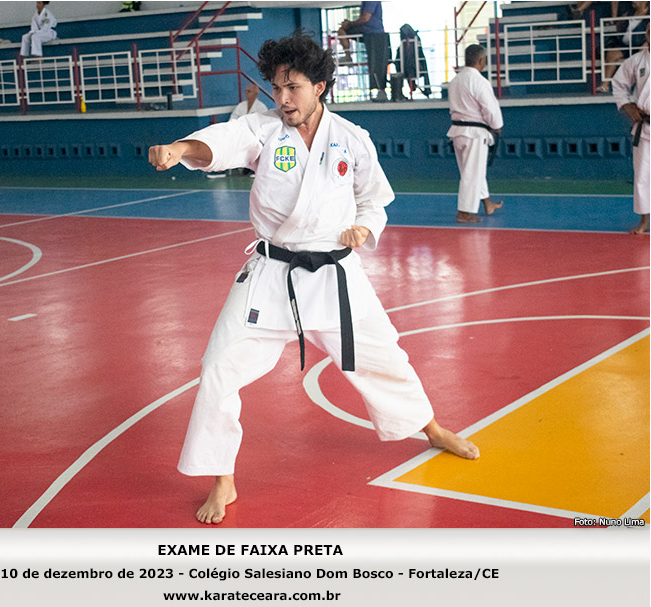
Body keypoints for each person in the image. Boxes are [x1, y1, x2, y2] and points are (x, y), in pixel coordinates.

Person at [148, 30, 479, 525]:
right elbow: (225, 141)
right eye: (276, 88)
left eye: (293, 88)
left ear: (319, 87)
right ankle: (222, 479)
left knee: (383, 356)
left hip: (336, 274)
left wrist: (364, 227)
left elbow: (374, 199)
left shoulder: (352, 138)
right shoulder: (264, 131)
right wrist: (181, 148)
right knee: (218, 367)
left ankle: (431, 429)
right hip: (272, 275)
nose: (283, 99)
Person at [447, 44, 504, 224]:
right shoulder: (479, 81)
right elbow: (490, 108)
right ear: (481, 60)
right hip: (475, 133)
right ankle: (464, 212)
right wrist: (497, 125)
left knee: (472, 171)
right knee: (472, 173)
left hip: (458, 132)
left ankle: (487, 203)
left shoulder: (455, 80)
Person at [611, 23, 649, 233]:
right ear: (646, 35)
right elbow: (618, 84)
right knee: (642, 176)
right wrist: (627, 105)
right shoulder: (636, 61)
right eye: (650, 32)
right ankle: (644, 221)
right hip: (645, 127)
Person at [337, 2, 391, 101]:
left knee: (377, 63)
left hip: (374, 33)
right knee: (342, 31)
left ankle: (380, 90)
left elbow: (366, 18)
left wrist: (349, 24)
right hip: (366, 31)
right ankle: (348, 57)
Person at [598, 1, 649, 92]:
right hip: (626, 45)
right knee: (612, 54)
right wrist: (621, 22)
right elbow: (619, 28)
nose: (633, 1)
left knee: (644, 52)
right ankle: (605, 85)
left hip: (642, 45)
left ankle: (643, 85)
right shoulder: (629, 13)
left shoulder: (649, 15)